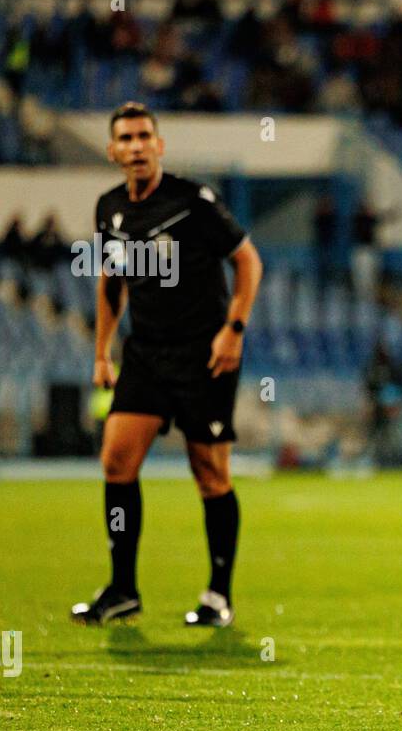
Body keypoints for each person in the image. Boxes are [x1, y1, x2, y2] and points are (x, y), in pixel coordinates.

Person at [70, 102, 263, 627]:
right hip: (146, 353)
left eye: (143, 137)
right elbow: (111, 283)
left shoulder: (194, 201)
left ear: (160, 145)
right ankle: (122, 588)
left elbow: (247, 260)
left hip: (205, 354)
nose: (135, 146)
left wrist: (234, 329)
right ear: (112, 151)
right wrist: (102, 352)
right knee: (116, 461)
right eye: (125, 139)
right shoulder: (109, 208)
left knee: (209, 473)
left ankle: (218, 595)